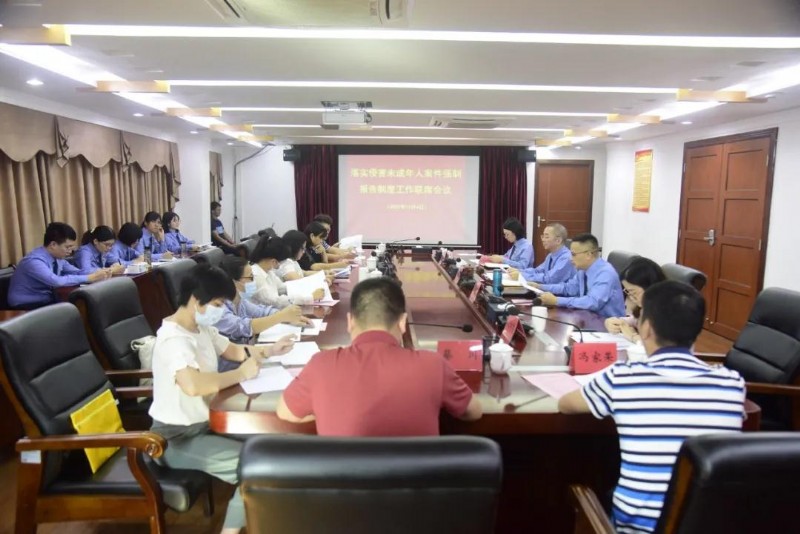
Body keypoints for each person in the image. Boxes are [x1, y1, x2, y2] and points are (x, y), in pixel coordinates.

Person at [558, 281, 745, 533]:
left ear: (645, 328)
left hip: (636, 526)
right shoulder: (732, 383)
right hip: (706, 523)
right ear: (697, 329)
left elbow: (566, 404)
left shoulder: (623, 377)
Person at [148, 263, 295, 534]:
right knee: (256, 467)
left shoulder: (200, 327)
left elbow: (234, 351)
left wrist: (270, 350)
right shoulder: (173, 339)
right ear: (196, 300)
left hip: (208, 424)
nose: (219, 310)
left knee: (273, 443)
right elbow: (192, 385)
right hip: (176, 438)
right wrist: (240, 374)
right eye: (217, 304)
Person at [276, 277, 483, 435]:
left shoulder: (321, 365)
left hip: (343, 480)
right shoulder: (432, 364)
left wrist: (327, 411)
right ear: (402, 322)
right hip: (415, 481)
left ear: (350, 321)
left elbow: (286, 412)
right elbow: (473, 412)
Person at [8, 222, 112, 309]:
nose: (70, 251)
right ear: (53, 245)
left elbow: (78, 272)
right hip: (26, 304)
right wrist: (89, 277)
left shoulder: (58, 258)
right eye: (67, 247)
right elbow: (56, 281)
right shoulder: (34, 261)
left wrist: (102, 272)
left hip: (47, 300)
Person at [216, 256, 311, 345]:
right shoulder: (218, 309)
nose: (254, 281)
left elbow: (263, 312)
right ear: (234, 282)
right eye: (250, 277)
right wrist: (281, 316)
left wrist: (288, 318)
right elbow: (244, 327)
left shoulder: (240, 301)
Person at [532, 233, 625, 318]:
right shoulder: (582, 270)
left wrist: (557, 300)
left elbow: (592, 302)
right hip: (586, 317)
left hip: (608, 325)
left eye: (573, 254)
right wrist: (540, 286)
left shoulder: (605, 273)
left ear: (588, 255)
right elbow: (568, 288)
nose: (570, 258)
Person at [249, 235, 324, 308]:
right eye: (282, 261)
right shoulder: (255, 276)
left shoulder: (268, 271)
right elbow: (276, 301)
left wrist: (317, 283)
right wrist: (310, 297)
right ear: (274, 261)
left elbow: (283, 287)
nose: (282, 265)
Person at [605, 257, 667, 343]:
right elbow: (634, 320)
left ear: (650, 287)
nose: (631, 297)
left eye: (633, 292)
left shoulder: (667, 312)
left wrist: (633, 336)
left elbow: (658, 346)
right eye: (628, 292)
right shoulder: (646, 307)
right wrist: (613, 322)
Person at [508, 223, 575, 284]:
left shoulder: (566, 258)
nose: (543, 240)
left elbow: (550, 279)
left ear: (558, 240)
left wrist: (522, 276)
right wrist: (519, 271)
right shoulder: (550, 255)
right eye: (543, 236)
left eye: (546, 237)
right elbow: (537, 271)